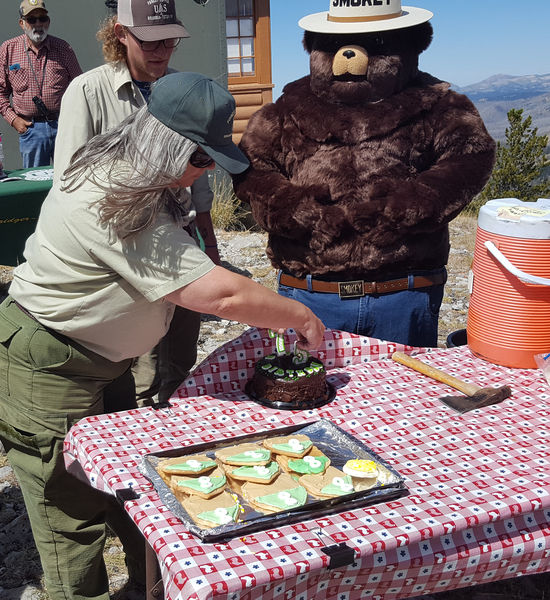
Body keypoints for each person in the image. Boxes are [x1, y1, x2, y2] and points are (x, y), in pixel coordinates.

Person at [0, 71, 325, 600]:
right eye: (199, 160)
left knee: (129, 489)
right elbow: (216, 295)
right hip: (49, 363)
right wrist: (297, 316)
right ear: (161, 144)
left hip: (99, 360)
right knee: (70, 517)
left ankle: (148, 589)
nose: (203, 173)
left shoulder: (131, 176)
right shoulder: (111, 197)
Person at [54, 0, 221, 407]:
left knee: (181, 352)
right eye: (149, 40)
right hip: (127, 246)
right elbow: (70, 181)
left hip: (180, 238)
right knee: (142, 361)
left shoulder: (183, 87)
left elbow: (197, 169)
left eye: (169, 41)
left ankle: (181, 436)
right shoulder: (89, 91)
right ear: (120, 34)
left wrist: (207, 233)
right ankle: (144, 440)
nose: (161, 50)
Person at [0, 0, 81, 167]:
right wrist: (14, 120)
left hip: (63, 126)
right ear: (22, 23)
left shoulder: (63, 48)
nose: (38, 24)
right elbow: (0, 92)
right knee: (33, 183)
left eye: (42, 19)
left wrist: (76, 121)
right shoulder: (8, 49)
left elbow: (80, 87)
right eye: (31, 20)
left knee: (69, 177)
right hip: (31, 129)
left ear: (48, 21)